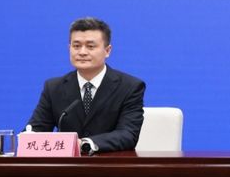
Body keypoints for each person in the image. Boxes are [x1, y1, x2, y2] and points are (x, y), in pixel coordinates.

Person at [27, 17, 145, 154]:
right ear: (69, 48)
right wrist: (29, 137)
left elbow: (128, 134)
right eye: (76, 46)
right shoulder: (53, 87)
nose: (82, 52)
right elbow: (36, 129)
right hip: (67, 165)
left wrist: (85, 144)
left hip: (111, 163)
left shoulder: (130, 87)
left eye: (90, 46)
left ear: (107, 51)